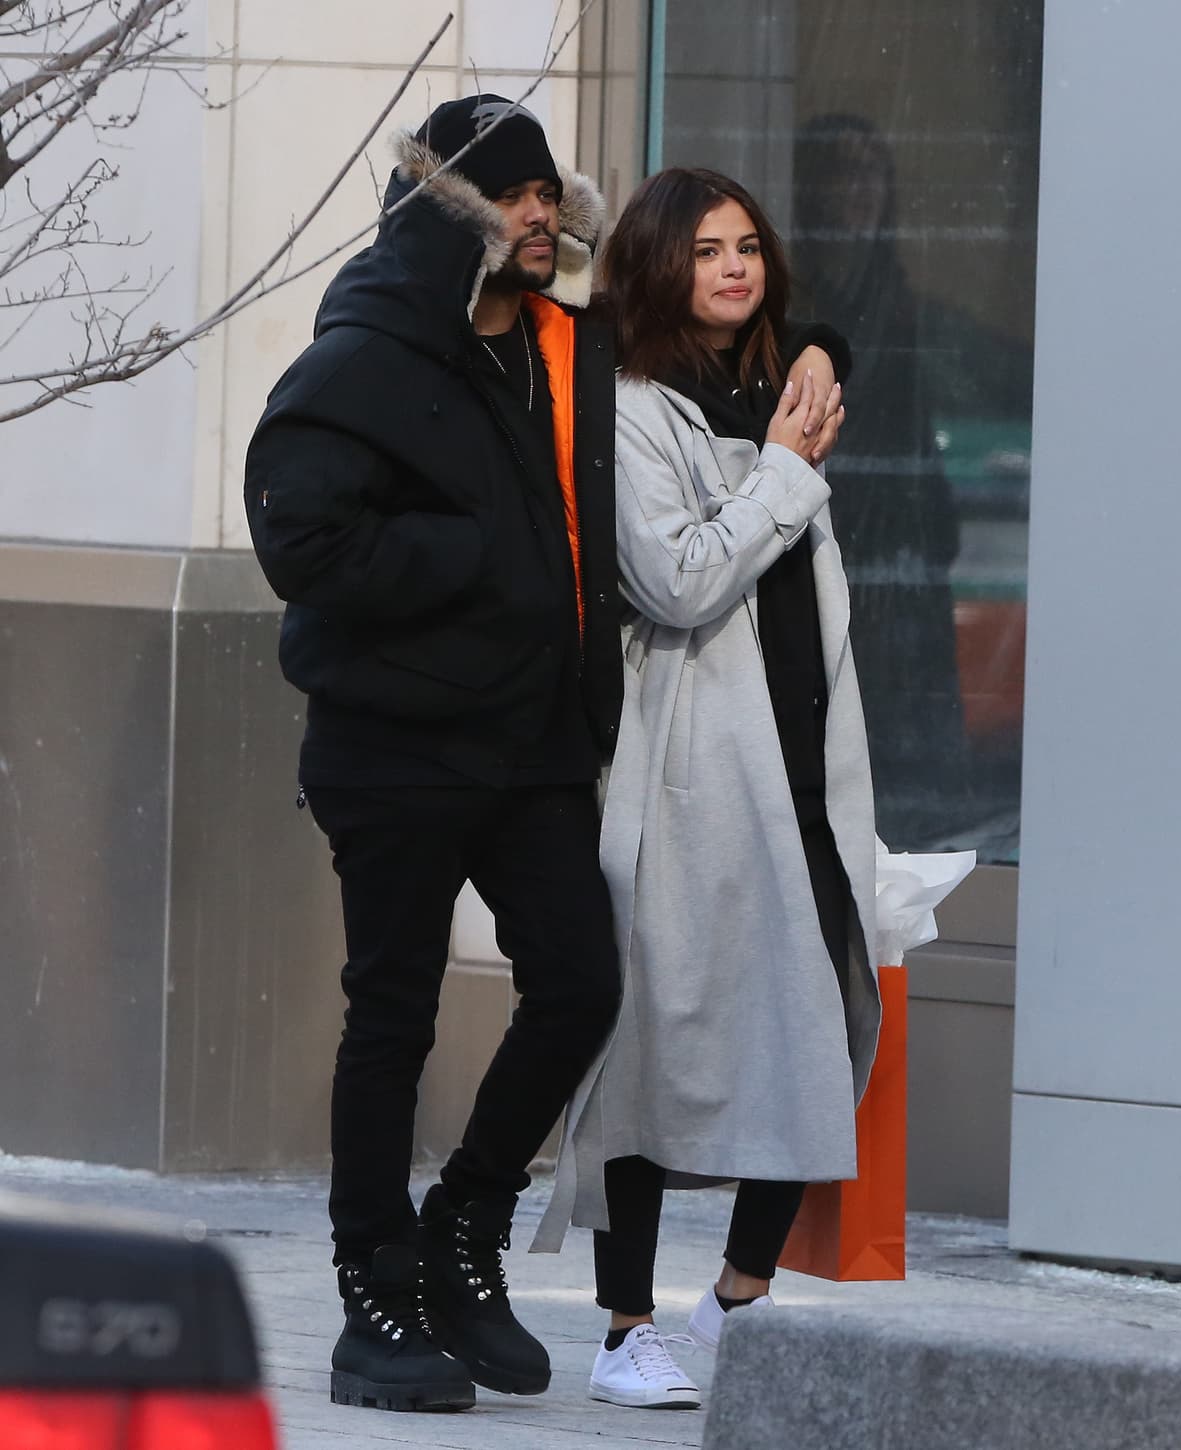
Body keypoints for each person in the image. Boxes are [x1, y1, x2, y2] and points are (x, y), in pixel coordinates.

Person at [243, 95, 627, 1413]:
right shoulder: (371, 344)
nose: (540, 216)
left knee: (580, 980)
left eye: (548, 197)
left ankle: (464, 1227)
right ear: (458, 207)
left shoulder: (562, 350)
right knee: (392, 1015)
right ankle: (372, 1291)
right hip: (398, 743)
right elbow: (301, 535)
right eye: (513, 195)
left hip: (530, 745)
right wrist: (468, 561)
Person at [531, 168, 882, 1411]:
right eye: (705, 250)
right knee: (651, 1038)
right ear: (654, 264)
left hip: (797, 760)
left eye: (747, 247)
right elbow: (677, 580)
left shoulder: (771, 383)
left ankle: (739, 1300)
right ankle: (623, 1321)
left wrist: (819, 364)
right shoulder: (632, 404)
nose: (734, 268)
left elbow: (827, 354)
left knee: (802, 1029)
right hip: (685, 766)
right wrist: (785, 469)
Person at [791, 113, 967, 849]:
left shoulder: (904, 300)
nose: (854, 190)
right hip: (828, 539)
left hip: (905, 558)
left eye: (869, 173)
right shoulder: (794, 305)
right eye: (838, 172)